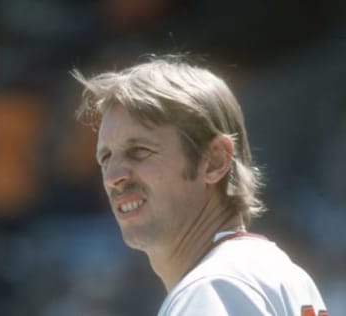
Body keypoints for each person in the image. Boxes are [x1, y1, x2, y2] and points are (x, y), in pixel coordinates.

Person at [72, 55, 328, 315]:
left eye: (139, 151)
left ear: (214, 161)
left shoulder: (214, 288)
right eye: (105, 158)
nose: (113, 176)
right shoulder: (280, 275)